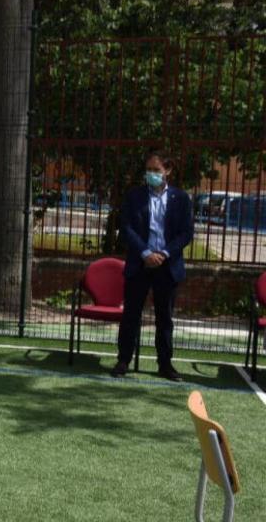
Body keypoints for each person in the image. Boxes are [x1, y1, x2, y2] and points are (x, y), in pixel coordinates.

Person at [112, 150, 193, 382]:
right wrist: (146, 252)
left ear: (167, 171)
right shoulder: (134, 196)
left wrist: (164, 253)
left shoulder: (181, 199)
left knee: (164, 318)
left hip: (167, 266)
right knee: (131, 315)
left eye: (156, 170)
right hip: (140, 263)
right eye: (148, 170)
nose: (152, 174)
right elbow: (126, 227)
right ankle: (123, 359)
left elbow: (186, 233)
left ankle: (165, 364)